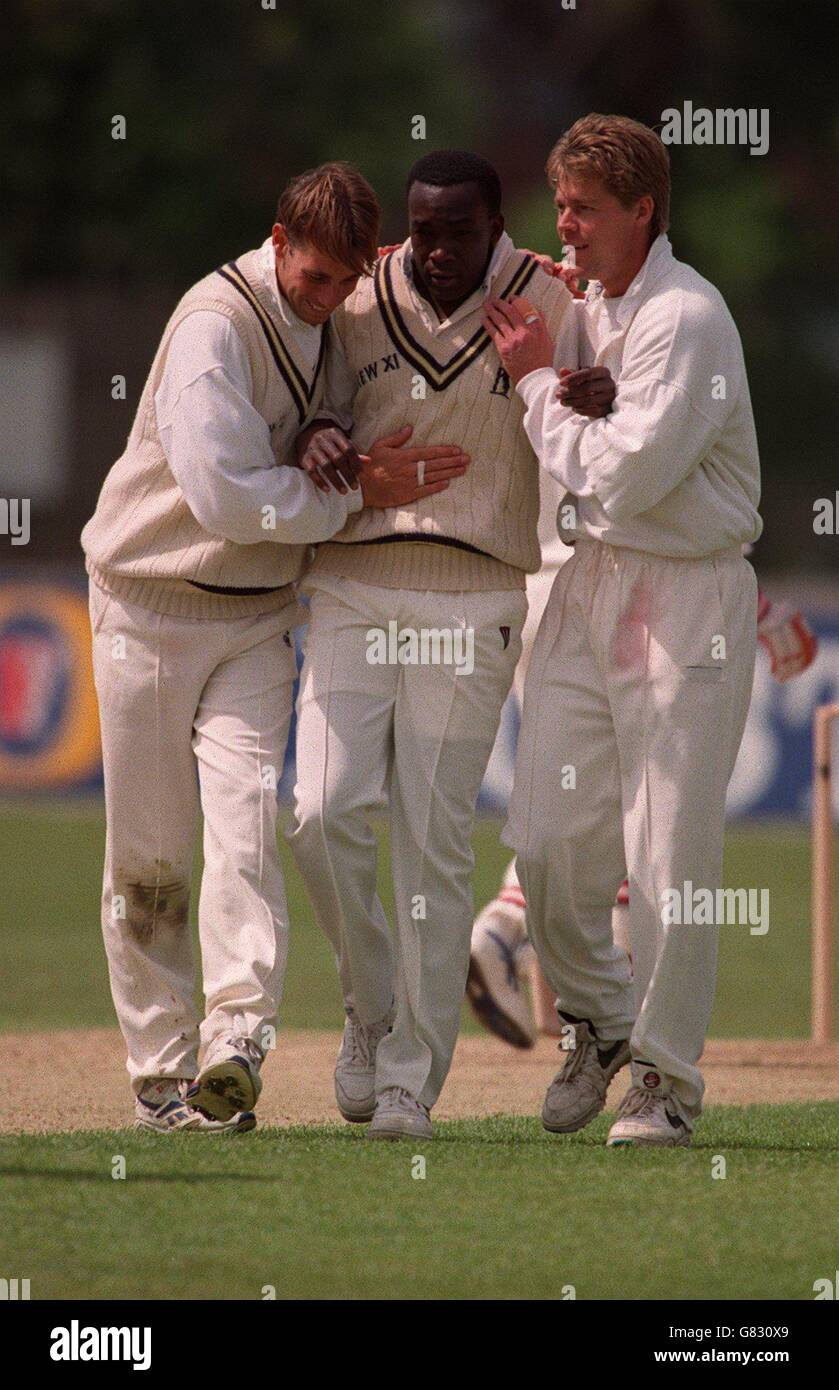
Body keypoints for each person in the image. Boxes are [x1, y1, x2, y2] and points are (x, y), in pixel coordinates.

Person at [82, 161, 469, 1134]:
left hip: (255, 615)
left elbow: (328, 408)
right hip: (148, 605)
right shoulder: (212, 327)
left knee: (251, 818)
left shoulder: (336, 315)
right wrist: (343, 491)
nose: (330, 299)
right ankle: (160, 1076)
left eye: (345, 281)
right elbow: (221, 495)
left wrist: (326, 434)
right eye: (313, 279)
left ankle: (235, 1044)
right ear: (278, 242)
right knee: (152, 860)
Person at [288, 149, 612, 1141]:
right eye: (421, 229)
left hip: (473, 595)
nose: (433, 251)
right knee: (318, 812)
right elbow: (305, 402)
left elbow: (620, 391)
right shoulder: (357, 293)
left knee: (430, 848)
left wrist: (591, 392)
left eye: (454, 233)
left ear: (494, 228)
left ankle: (405, 1084)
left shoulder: (550, 301)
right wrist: (315, 439)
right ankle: (368, 1008)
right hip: (350, 579)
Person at [483, 114, 762, 1147]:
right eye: (558, 204)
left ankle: (665, 1079)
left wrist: (532, 385)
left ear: (642, 210)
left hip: (683, 592)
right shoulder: (585, 302)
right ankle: (598, 1020)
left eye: (585, 209)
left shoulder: (686, 317)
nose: (566, 225)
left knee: (666, 850)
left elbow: (621, 475)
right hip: (586, 581)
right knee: (547, 842)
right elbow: (484, 282)